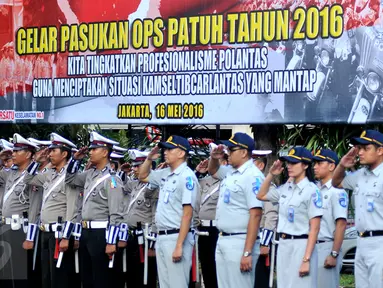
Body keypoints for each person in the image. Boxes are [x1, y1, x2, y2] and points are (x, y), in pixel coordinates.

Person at [257, 147, 323, 288]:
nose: (289, 166)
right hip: (284, 243)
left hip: (302, 244)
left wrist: (306, 259)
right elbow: (261, 195)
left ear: (305, 165)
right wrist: (270, 175)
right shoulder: (285, 188)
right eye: (288, 163)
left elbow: (315, 228)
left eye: (294, 163)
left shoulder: (312, 190)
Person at [65, 131, 125, 288]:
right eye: (90, 149)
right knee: (87, 279)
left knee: (101, 279)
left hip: (101, 234)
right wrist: (75, 159)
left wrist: (111, 241)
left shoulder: (112, 179)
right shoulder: (90, 174)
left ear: (105, 152)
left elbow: (115, 214)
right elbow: (70, 179)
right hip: (86, 233)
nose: (90, 152)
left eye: (94, 149)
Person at [138, 135, 198, 288]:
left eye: (170, 149)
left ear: (181, 153)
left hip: (177, 237)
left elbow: (187, 214)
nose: (166, 152)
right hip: (162, 236)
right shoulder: (165, 173)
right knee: (165, 284)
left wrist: (179, 245)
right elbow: (142, 176)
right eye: (166, 149)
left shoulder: (187, 177)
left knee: (177, 284)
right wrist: (149, 158)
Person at [23, 133, 81, 288]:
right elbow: (27, 180)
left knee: (58, 278)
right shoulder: (49, 174)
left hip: (59, 234)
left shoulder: (71, 177)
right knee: (46, 277)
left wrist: (66, 236)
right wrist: (35, 161)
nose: (49, 154)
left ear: (64, 154)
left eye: (53, 150)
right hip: (44, 232)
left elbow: (72, 207)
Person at [207, 132, 264, 288]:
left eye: (232, 150)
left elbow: (256, 214)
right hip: (224, 238)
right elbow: (212, 171)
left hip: (240, 240)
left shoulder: (253, 176)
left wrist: (247, 252)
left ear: (244, 152)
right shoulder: (231, 172)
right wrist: (214, 157)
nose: (228, 153)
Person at [332, 130, 383, 288]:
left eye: (365, 148)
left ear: (380, 150)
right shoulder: (360, 174)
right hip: (361, 242)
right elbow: (336, 182)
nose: (360, 152)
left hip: (380, 243)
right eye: (359, 148)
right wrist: (342, 164)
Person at [0, 134, 41, 287]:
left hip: (20, 230)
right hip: (5, 228)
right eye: (13, 151)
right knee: (5, 275)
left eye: (18, 151)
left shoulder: (34, 177)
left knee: (19, 276)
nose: (13, 154)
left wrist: (30, 238)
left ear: (29, 154)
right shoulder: (10, 173)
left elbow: (35, 209)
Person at [117, 149, 158, 288]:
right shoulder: (135, 183)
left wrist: (152, 245)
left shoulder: (154, 186)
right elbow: (119, 186)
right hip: (132, 236)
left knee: (145, 276)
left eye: (137, 166)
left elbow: (155, 216)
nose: (134, 169)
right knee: (131, 276)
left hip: (145, 239)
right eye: (133, 166)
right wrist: (122, 172)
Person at [312, 149, 348, 288]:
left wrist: (334, 254)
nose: (315, 167)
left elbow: (341, 224)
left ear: (332, 166)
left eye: (320, 163)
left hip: (326, 246)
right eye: (315, 163)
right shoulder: (315, 189)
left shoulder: (337, 192)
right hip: (312, 246)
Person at [194, 153, 228, 288]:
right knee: (206, 265)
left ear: (225, 163)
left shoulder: (227, 181)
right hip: (202, 228)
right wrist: (197, 172)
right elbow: (187, 185)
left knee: (217, 267)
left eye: (218, 162)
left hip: (216, 229)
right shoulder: (204, 181)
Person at [252, 150, 279, 288]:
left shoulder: (267, 187)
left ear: (260, 166)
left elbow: (271, 215)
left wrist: (265, 242)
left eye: (252, 163)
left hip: (260, 238)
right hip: (246, 238)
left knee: (259, 279)